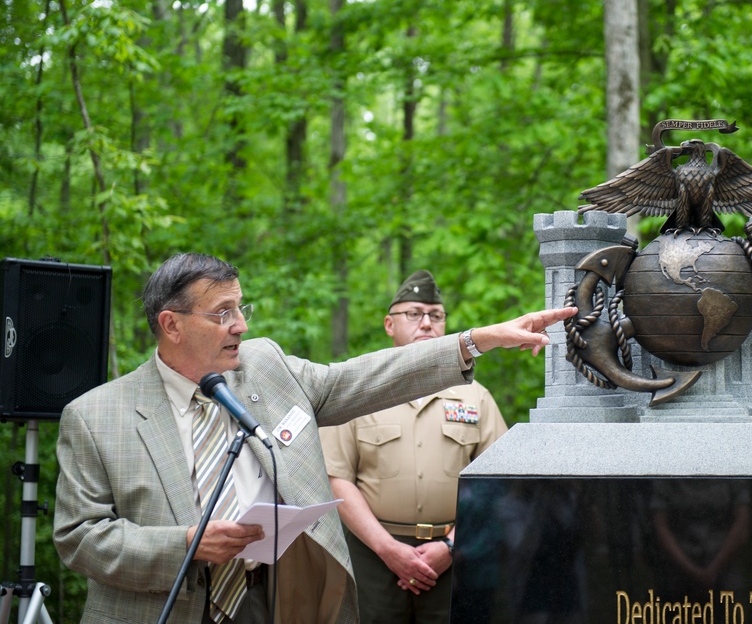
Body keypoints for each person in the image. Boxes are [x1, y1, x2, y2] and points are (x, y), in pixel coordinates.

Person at [52, 253, 574, 624]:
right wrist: (185, 546)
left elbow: (365, 378)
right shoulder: (97, 416)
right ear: (172, 324)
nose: (239, 325)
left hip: (273, 600)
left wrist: (476, 340)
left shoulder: (267, 367)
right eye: (222, 313)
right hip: (160, 606)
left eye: (240, 309)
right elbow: (79, 537)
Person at [320, 270, 507, 624]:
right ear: (389, 325)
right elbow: (337, 478)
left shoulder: (475, 397)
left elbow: (495, 480)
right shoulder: (357, 393)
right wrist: (387, 548)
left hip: (454, 556)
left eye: (436, 316)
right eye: (414, 314)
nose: (426, 324)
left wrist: (451, 546)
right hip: (374, 556)